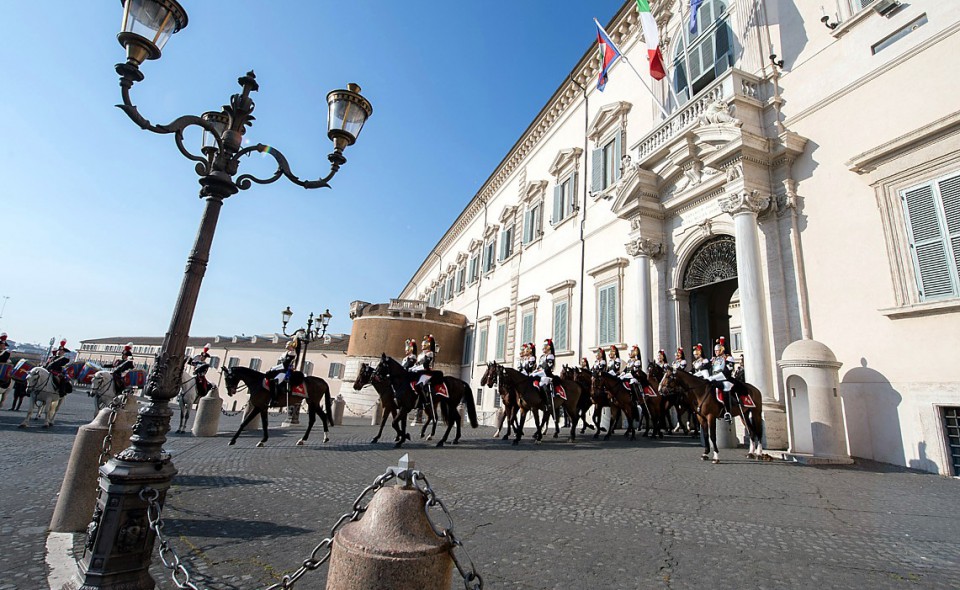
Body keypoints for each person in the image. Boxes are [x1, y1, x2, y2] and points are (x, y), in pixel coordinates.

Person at [708, 337, 737, 423]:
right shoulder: (715, 359)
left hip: (726, 379)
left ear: (722, 350)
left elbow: (726, 372)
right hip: (715, 379)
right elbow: (706, 366)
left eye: (717, 350)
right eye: (715, 350)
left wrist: (713, 378)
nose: (716, 352)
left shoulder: (728, 358)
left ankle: (727, 411)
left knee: (726, 387)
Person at [411, 335, 442, 400]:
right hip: (419, 372)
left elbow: (425, 365)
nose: (422, 346)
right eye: (422, 345)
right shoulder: (420, 355)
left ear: (427, 345)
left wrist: (415, 368)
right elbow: (417, 364)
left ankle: (425, 400)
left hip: (426, 372)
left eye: (423, 345)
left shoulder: (429, 353)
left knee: (420, 385)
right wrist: (412, 368)